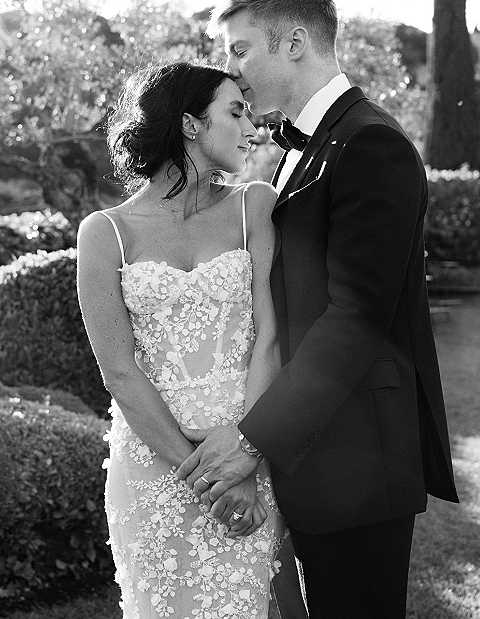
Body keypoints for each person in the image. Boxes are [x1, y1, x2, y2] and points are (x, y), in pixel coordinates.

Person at [176, 0, 459, 619]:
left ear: (295, 42)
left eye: (242, 50)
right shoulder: (298, 151)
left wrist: (251, 439)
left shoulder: (371, 145)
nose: (232, 71)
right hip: (314, 454)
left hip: (358, 458)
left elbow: (355, 320)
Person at [76, 60, 304, 619]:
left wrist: (245, 458)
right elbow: (120, 373)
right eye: (236, 111)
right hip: (154, 467)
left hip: (246, 446)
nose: (253, 127)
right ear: (189, 124)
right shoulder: (105, 234)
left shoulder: (256, 207)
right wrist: (212, 483)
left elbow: (270, 338)